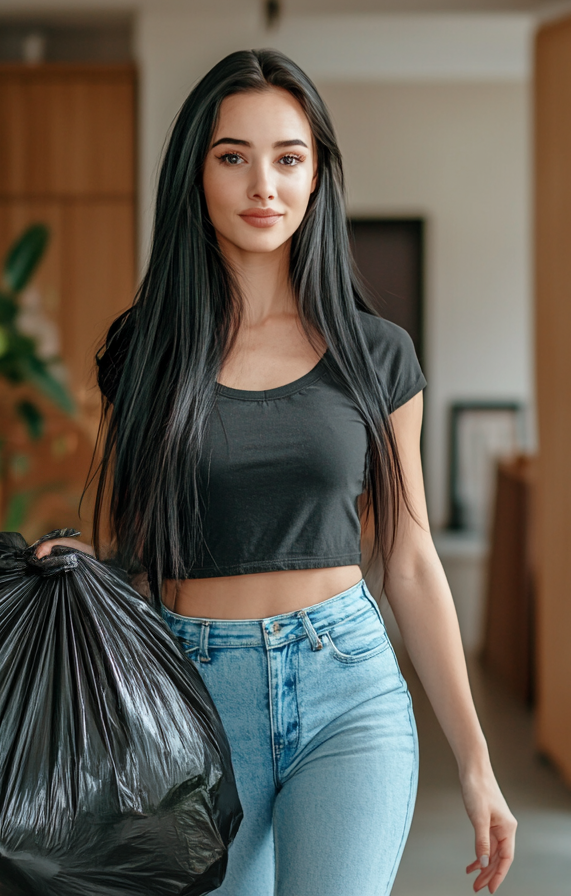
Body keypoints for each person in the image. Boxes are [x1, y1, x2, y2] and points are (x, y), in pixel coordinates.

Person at [35, 48, 516, 895]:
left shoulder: (377, 356)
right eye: (235, 157)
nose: (265, 184)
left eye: (289, 159)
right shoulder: (145, 353)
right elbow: (133, 533)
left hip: (348, 693)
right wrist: (73, 552)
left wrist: (476, 762)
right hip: (193, 698)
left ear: (318, 176)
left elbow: (408, 558)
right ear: (197, 173)